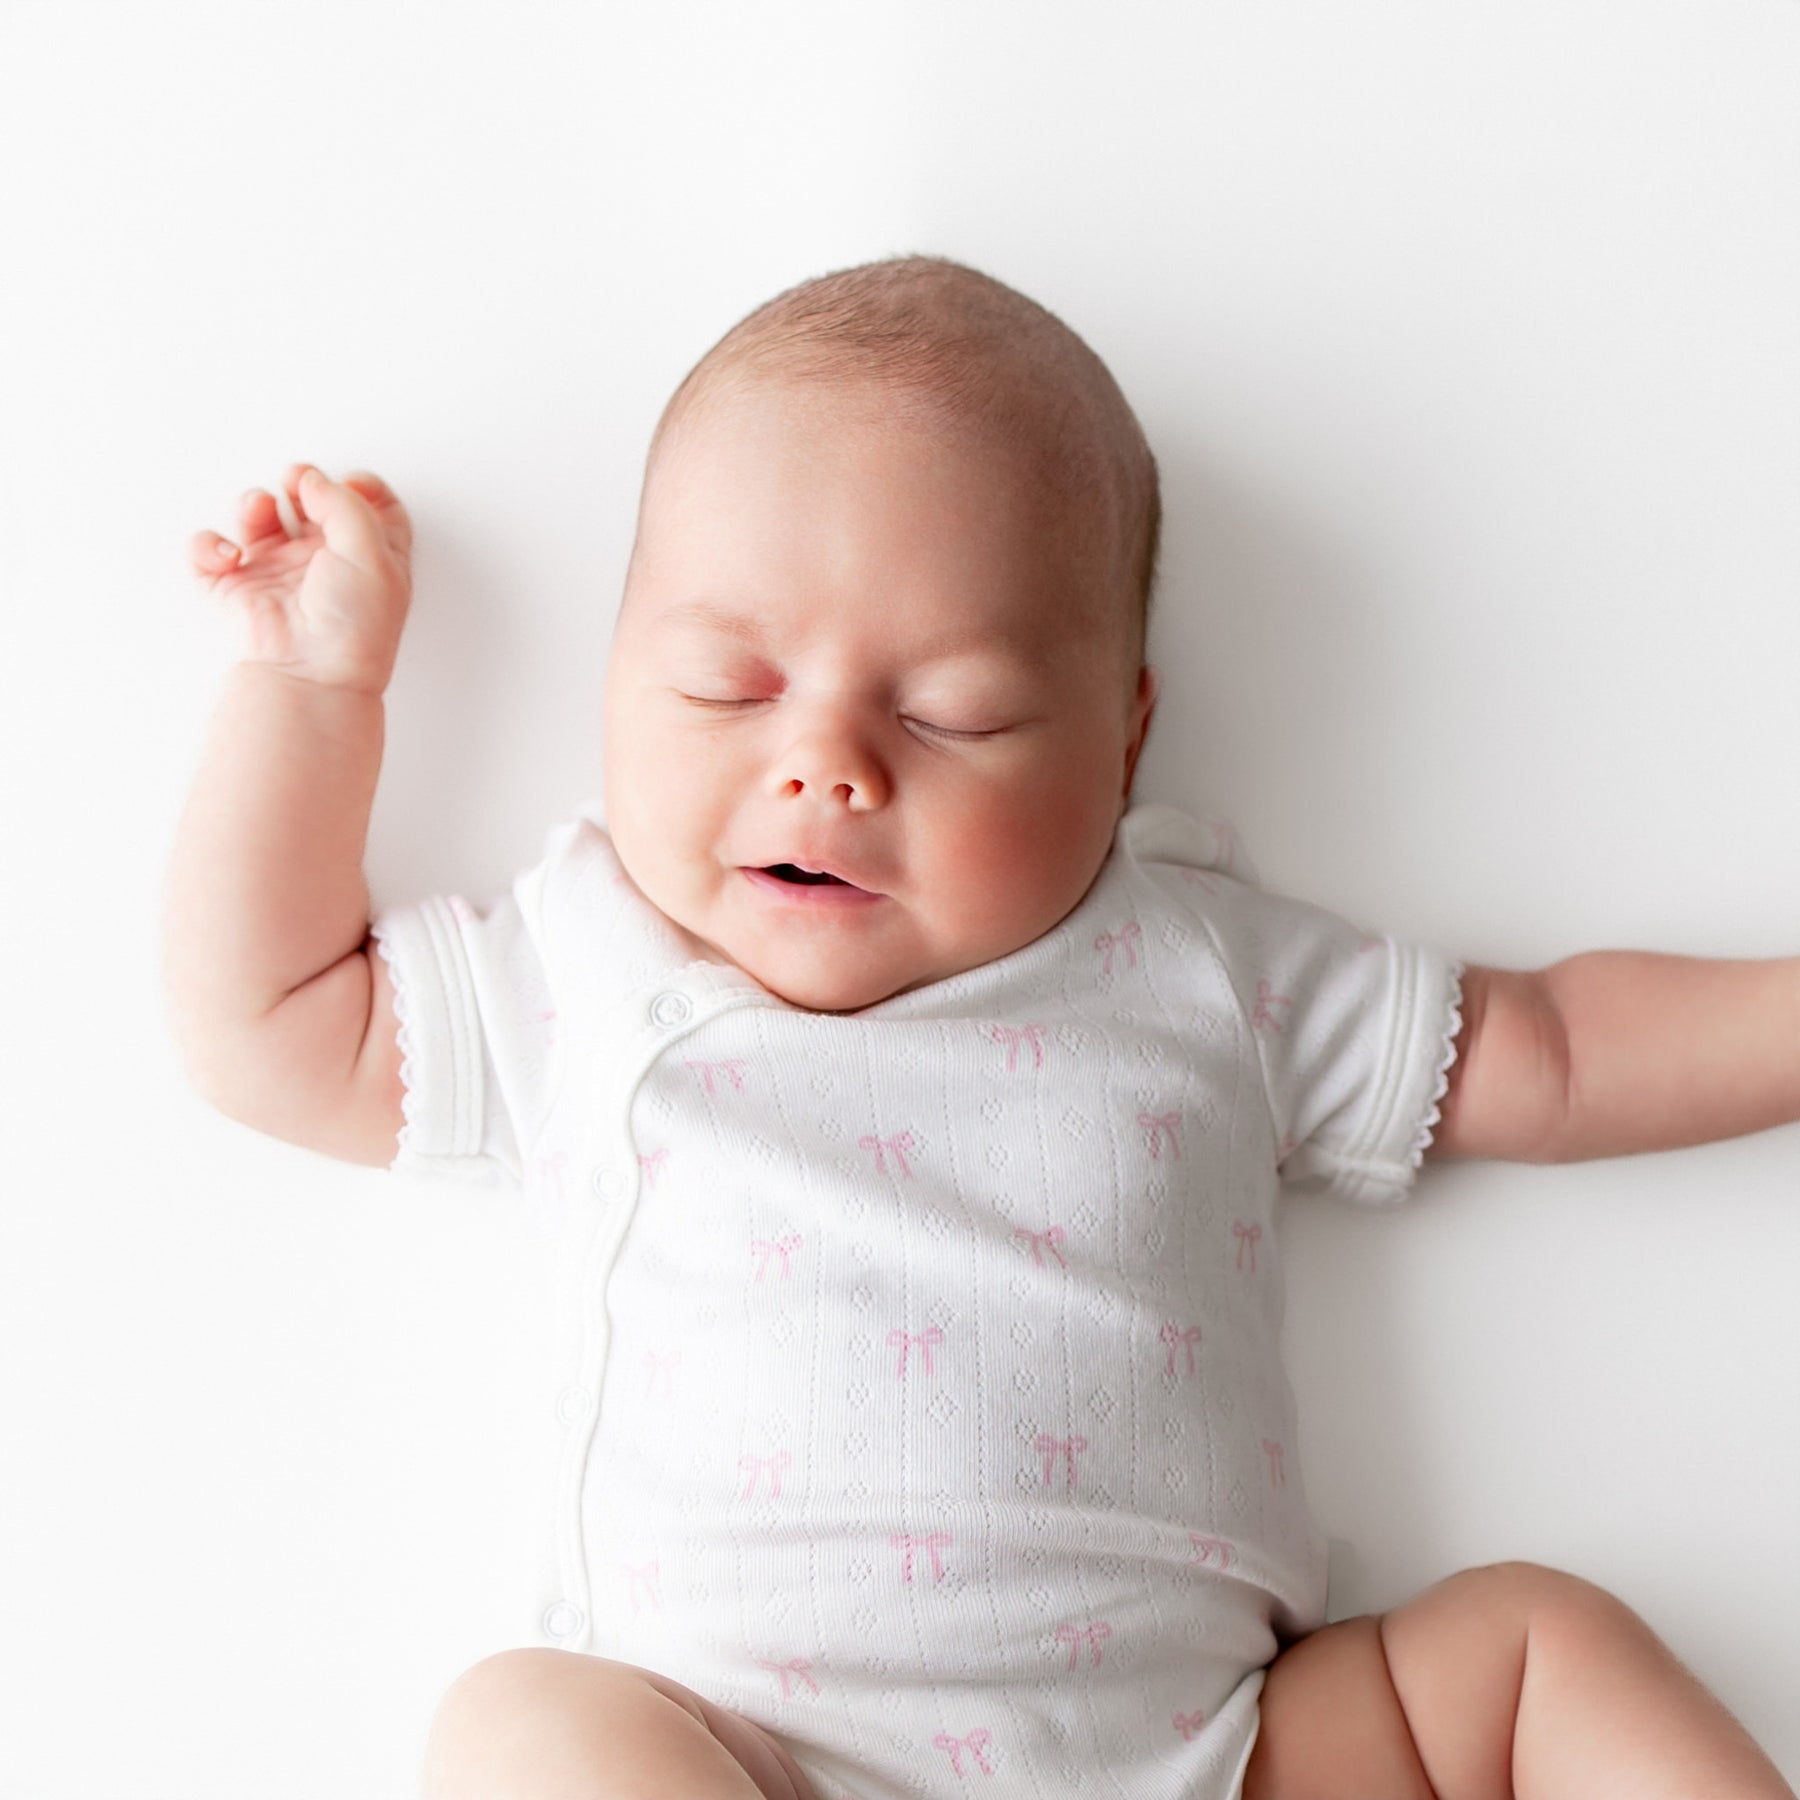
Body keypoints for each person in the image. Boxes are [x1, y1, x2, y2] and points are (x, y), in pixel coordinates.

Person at [166, 256, 1797, 1800]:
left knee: (1533, 1650)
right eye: (730, 687)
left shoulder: (1193, 966)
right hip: (754, 1753)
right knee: (528, 1723)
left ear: (1123, 735)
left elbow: (1560, 1053)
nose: (823, 767)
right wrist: (314, 695)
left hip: (1211, 1752)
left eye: (952, 714)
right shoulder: (587, 970)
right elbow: (272, 1020)